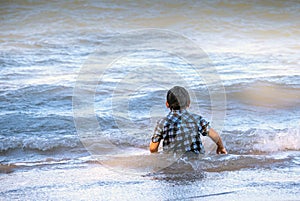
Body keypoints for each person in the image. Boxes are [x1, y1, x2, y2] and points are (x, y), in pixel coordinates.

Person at [150, 86, 227, 155]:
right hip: (195, 160)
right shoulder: (197, 119)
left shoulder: (162, 123)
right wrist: (221, 147)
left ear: (167, 104)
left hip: (173, 162)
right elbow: (215, 135)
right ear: (188, 103)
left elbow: (153, 149)